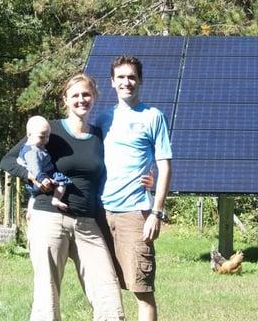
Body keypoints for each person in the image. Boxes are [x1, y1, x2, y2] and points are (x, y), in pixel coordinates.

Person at [1, 74, 147, 321]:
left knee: (109, 297)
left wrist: (149, 177)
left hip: (87, 224)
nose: (81, 100)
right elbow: (8, 160)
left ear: (95, 97)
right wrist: (32, 177)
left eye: (86, 94)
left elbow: (120, 168)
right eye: (75, 95)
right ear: (65, 100)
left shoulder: (100, 136)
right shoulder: (50, 131)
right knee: (47, 300)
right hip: (49, 218)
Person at [96, 55, 173, 321]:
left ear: (140, 81)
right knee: (106, 288)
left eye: (131, 77)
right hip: (102, 215)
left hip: (136, 215)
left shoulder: (153, 117)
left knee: (142, 290)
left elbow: (164, 166)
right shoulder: (103, 119)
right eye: (121, 77)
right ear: (112, 82)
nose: (126, 82)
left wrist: (156, 212)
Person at [17, 115, 70, 219]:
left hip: (34, 182)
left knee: (33, 195)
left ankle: (30, 211)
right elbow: (35, 167)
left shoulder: (32, 148)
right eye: (42, 137)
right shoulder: (32, 151)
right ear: (29, 135)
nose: (46, 140)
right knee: (62, 182)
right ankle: (56, 199)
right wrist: (43, 178)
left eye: (48, 136)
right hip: (41, 177)